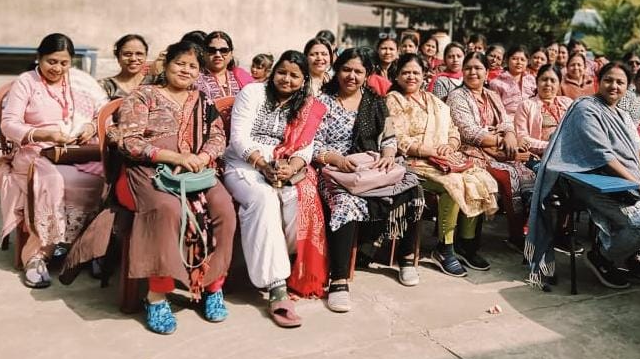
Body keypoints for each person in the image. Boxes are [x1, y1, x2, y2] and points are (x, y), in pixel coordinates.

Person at [526, 62, 640, 290]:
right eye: (608, 80)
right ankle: (603, 256)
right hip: (591, 180)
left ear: (627, 88)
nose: (613, 86)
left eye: (620, 82)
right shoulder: (585, 108)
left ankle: (621, 246)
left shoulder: (624, 116)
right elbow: (603, 158)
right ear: (598, 81)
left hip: (628, 181)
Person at [115, 41, 237, 334]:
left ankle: (212, 286)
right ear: (166, 64)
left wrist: (201, 157)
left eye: (193, 66)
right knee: (167, 208)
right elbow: (127, 140)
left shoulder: (202, 101)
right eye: (180, 63)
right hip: (147, 171)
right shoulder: (144, 96)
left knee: (224, 208)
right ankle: (156, 295)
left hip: (195, 172)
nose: (186, 70)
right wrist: (172, 156)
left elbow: (218, 137)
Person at [313, 48, 424, 313]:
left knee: (414, 190)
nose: (352, 76)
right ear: (337, 70)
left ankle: (406, 259)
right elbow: (311, 144)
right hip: (333, 170)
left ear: (367, 74)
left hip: (371, 165)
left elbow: (388, 137)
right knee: (345, 204)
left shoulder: (374, 101)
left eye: (358, 71)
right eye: (346, 69)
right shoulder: (321, 102)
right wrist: (336, 159)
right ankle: (339, 280)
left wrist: (387, 154)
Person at [223, 50, 327, 328]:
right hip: (244, 165)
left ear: (304, 79)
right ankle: (276, 286)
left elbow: (306, 148)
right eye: (282, 72)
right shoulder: (253, 93)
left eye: (295, 75)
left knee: (299, 198)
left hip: (284, 166)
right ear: (273, 71)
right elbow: (238, 139)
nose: (287, 79)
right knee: (265, 198)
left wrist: (290, 168)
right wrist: (262, 165)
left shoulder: (305, 104)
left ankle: (284, 260)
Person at [0, 33, 107, 289]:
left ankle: (87, 249)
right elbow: (9, 123)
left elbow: (103, 110)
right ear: (39, 58)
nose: (57, 68)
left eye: (64, 63)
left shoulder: (79, 82)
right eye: (51, 61)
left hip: (74, 149)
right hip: (34, 151)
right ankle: (37, 256)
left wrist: (90, 126)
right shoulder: (27, 82)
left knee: (104, 176)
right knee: (51, 180)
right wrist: (43, 134)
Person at [386, 53, 499, 277]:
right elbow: (397, 137)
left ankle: (466, 244)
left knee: (478, 179)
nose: (411, 77)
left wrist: (451, 145)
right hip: (413, 161)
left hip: (442, 158)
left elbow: (453, 131)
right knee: (453, 184)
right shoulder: (393, 99)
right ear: (397, 76)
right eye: (406, 72)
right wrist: (428, 150)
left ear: (424, 76)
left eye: (416, 72)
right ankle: (444, 248)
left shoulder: (434, 101)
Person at [448, 52, 535, 249]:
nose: (473, 72)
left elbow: (505, 122)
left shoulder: (492, 95)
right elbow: (469, 132)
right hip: (469, 151)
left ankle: (527, 231)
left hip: (498, 148)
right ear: (463, 71)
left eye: (478, 68)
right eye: (468, 68)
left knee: (528, 174)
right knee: (509, 174)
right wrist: (502, 140)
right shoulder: (457, 96)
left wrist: (511, 135)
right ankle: (516, 236)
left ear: (487, 73)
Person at [514, 64, 572, 157]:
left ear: (559, 84)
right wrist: (552, 147)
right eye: (544, 79)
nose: (548, 83)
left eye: (553, 80)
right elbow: (522, 138)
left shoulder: (568, 103)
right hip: (541, 156)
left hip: (570, 152)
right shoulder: (526, 105)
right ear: (537, 82)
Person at [196, 30, 253, 99]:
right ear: (204, 53)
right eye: (212, 50)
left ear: (231, 54)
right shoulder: (195, 78)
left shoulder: (241, 77)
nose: (218, 55)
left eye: (224, 50)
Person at [100, 34, 154, 99]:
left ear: (146, 56)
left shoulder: (154, 83)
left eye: (139, 54)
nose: (133, 59)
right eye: (127, 54)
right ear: (118, 57)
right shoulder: (105, 86)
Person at [490, 45, 537, 116]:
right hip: (509, 120)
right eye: (514, 59)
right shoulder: (496, 83)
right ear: (507, 60)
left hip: (532, 117)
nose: (519, 62)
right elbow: (496, 109)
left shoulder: (532, 79)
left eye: (522, 60)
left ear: (527, 62)